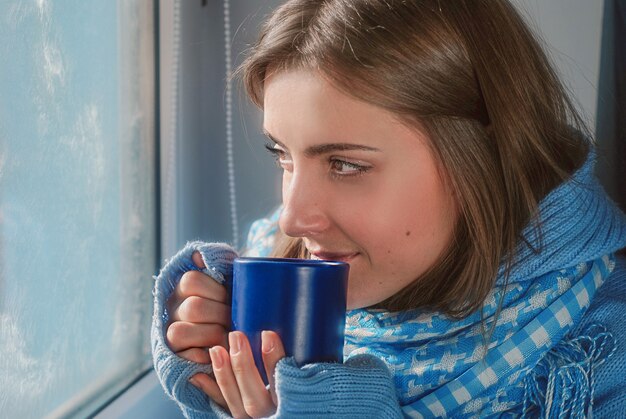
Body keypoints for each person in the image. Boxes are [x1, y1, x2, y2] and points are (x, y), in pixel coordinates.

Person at [151, 0, 626, 417]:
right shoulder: (274, 266)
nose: (293, 218)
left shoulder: (602, 358)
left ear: (480, 159)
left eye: (345, 164)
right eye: (284, 156)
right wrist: (209, 358)